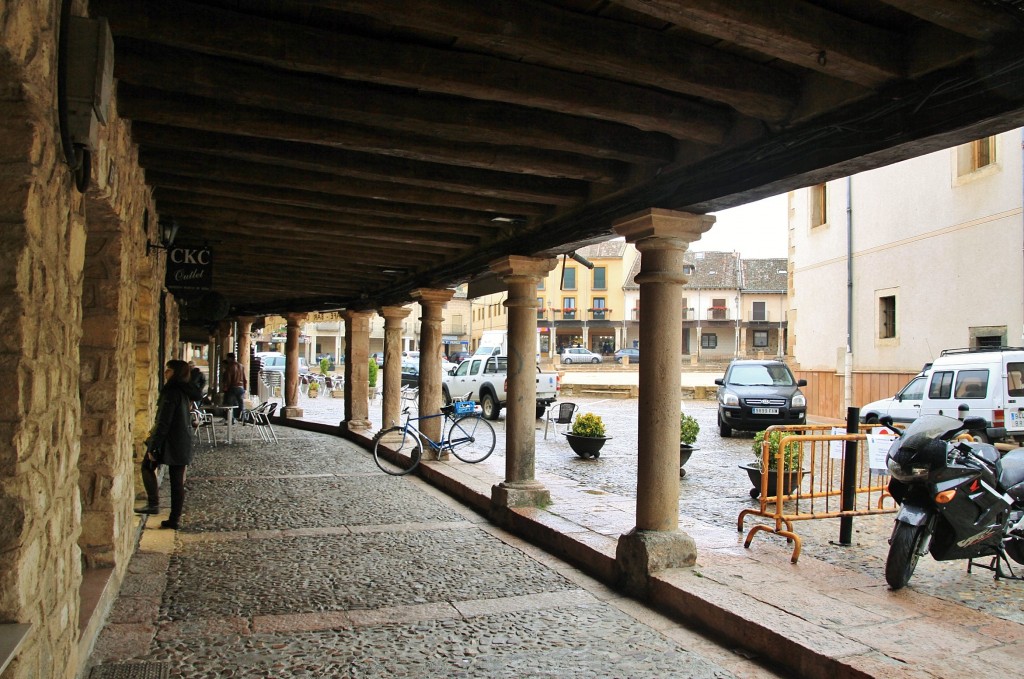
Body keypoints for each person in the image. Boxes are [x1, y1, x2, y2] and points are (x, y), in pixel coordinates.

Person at [137, 359, 195, 529]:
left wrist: (154, 446)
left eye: (168, 370)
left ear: (174, 373)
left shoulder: (171, 392)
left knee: (147, 466)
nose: (165, 373)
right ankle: (174, 518)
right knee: (177, 482)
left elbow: (164, 421)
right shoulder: (185, 391)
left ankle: (154, 504)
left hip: (171, 441)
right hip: (182, 440)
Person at [220, 352, 247, 421]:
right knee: (241, 404)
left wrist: (226, 387)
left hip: (233, 387)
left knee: (230, 405)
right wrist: (245, 388)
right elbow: (244, 378)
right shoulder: (241, 366)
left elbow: (229, 379)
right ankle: (243, 418)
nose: (227, 359)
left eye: (227, 358)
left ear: (230, 358)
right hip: (241, 387)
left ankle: (231, 419)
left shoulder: (230, 366)